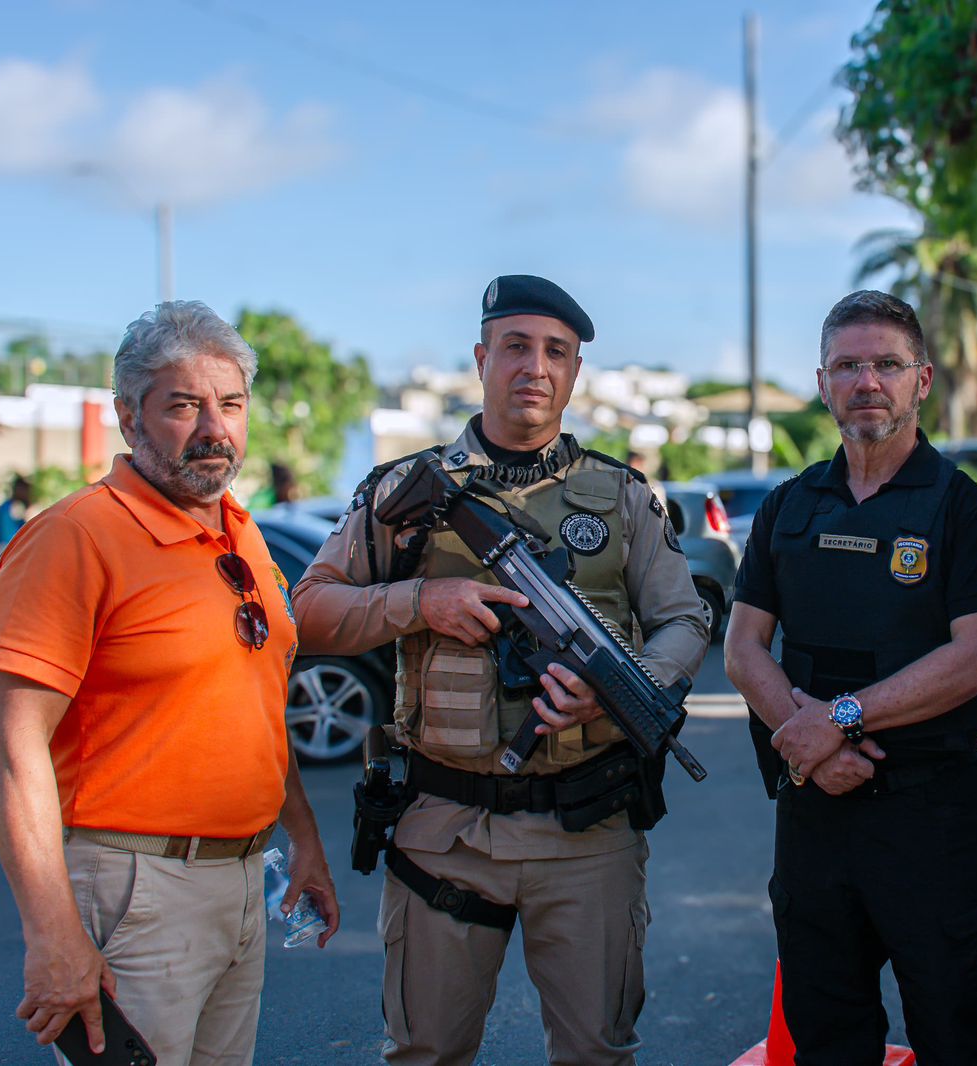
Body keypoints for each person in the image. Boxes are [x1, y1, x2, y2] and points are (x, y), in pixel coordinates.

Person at [292, 274, 708, 1066]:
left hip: (588, 831)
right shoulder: (405, 493)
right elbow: (307, 611)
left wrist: (625, 690)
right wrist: (421, 599)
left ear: (576, 372)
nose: (535, 367)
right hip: (444, 830)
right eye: (515, 346)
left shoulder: (620, 495)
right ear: (481, 357)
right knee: (427, 1053)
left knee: (596, 1053)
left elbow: (685, 619)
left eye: (557, 352)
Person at [0, 301, 341, 1063]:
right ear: (129, 417)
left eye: (231, 403)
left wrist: (303, 839)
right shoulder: (76, 537)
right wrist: (53, 936)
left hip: (243, 882)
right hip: (133, 889)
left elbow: (259, 704)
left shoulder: (240, 529)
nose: (215, 427)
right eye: (182, 405)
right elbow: (10, 744)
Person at [724, 290, 977, 1065]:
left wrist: (840, 718)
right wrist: (813, 746)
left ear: (922, 380)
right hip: (815, 815)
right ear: (823, 383)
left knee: (955, 1034)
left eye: (887, 365)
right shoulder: (790, 506)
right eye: (848, 365)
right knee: (826, 1037)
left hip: (933, 819)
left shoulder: (968, 509)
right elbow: (743, 647)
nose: (868, 382)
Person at [0, 474, 32, 546]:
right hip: (7, 547)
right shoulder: (11, 508)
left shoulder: (8, 506)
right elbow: (8, 536)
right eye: (26, 490)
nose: (28, 494)